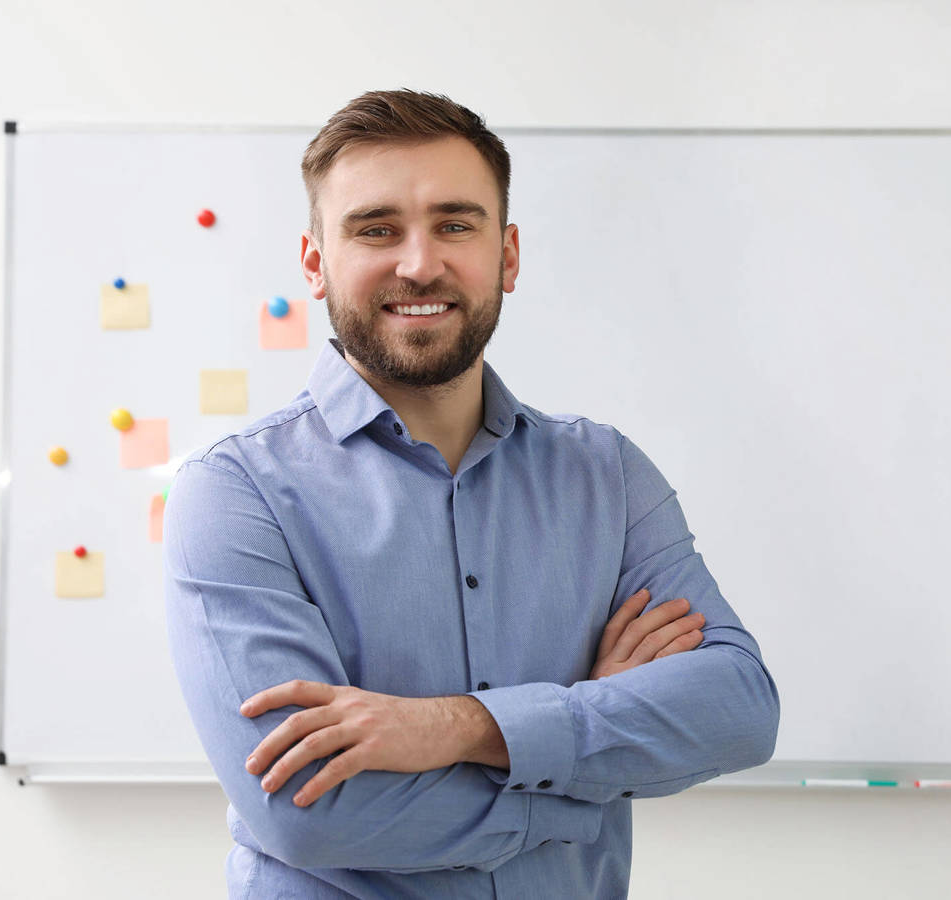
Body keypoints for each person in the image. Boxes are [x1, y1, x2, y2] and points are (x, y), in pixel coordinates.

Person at [164, 89, 779, 899]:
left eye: (455, 224)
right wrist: (583, 767)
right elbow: (311, 811)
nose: (420, 263)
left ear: (508, 254)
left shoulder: (607, 475)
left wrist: (459, 726)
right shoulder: (234, 493)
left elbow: (737, 708)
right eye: (376, 228)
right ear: (314, 263)